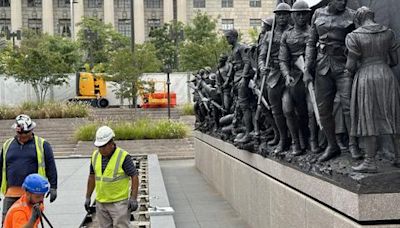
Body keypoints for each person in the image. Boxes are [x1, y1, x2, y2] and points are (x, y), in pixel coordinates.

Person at [304, 0, 361, 162]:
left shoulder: (352, 15)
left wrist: (354, 62)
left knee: (349, 106)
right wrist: (307, 68)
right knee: (323, 109)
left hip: (344, 66)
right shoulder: (318, 13)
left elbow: (360, 40)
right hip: (322, 66)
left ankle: (353, 144)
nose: (343, 2)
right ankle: (332, 145)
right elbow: (310, 42)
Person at [345, 7, 400, 173]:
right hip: (386, 75)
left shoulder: (354, 36)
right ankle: (398, 156)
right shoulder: (388, 33)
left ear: (359, 19)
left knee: (368, 116)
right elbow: (394, 60)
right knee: (392, 114)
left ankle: (370, 161)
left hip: (366, 77)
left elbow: (350, 66)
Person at [0, 114, 57, 222]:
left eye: (26, 133)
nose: (23, 136)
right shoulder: (7, 145)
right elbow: (1, 168)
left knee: (30, 222)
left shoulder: (42, 144)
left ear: (31, 129)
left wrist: (53, 186)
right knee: (8, 221)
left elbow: (51, 166)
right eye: (20, 133)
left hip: (33, 193)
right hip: (11, 193)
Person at [85, 126, 139, 228]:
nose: (101, 150)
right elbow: (92, 177)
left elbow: (134, 176)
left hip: (119, 203)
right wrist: (88, 197)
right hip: (101, 202)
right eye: (99, 147)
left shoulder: (123, 156)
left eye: (103, 146)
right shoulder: (95, 156)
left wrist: (133, 198)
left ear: (111, 143)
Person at [279, 0, 314, 155]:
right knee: (287, 109)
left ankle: (313, 141)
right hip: (292, 78)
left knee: (312, 111)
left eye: (304, 14)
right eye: (298, 14)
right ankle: (295, 142)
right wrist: (286, 75)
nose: (301, 17)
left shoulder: (313, 31)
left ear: (308, 15)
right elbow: (283, 59)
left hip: (310, 77)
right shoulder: (287, 35)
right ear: (292, 16)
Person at [258, 2, 291, 153]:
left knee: (289, 109)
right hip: (273, 75)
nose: (282, 18)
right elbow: (262, 56)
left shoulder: (292, 31)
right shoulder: (269, 36)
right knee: (275, 110)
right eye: (279, 15)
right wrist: (262, 67)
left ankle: (297, 140)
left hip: (291, 73)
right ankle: (282, 138)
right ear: (276, 16)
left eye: (285, 15)